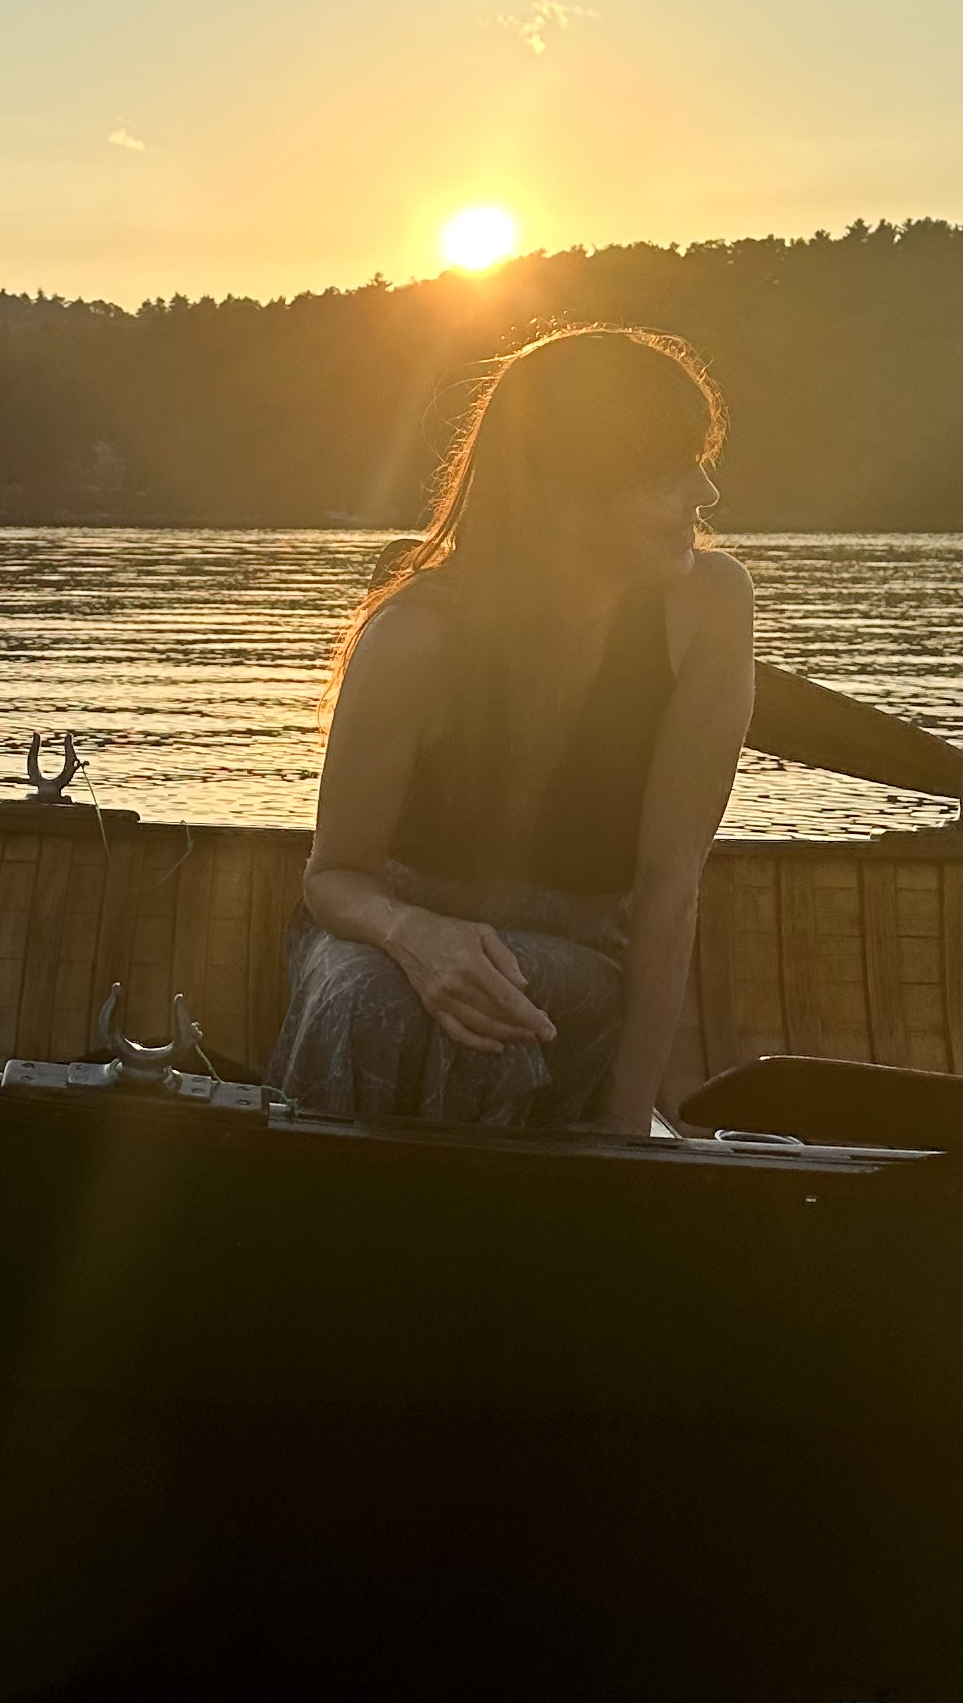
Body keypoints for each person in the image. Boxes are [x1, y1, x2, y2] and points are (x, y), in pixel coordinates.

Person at [268, 323, 754, 1136]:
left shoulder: (707, 608)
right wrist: (416, 935)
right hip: (382, 935)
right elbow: (334, 878)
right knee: (369, 1000)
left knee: (505, 1004)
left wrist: (627, 1121)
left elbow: (670, 885)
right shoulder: (413, 639)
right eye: (672, 471)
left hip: (577, 945)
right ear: (572, 488)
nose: (703, 496)